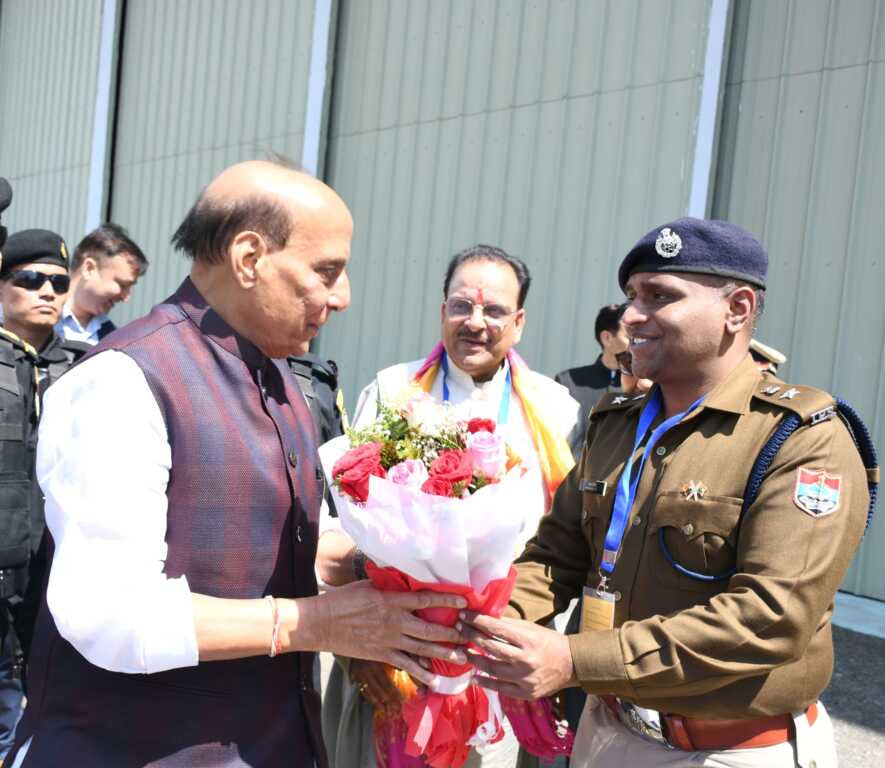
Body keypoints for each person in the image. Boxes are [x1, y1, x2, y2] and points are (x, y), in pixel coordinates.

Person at [8, 161, 469, 768]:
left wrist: (376, 564)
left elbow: (267, 539)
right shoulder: (123, 380)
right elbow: (108, 616)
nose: (342, 297)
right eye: (326, 271)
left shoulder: (282, 376)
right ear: (249, 258)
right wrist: (314, 623)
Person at [459, 218, 872, 768]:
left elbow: (771, 617)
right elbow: (555, 557)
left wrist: (575, 659)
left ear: (738, 309)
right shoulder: (616, 423)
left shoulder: (799, 437)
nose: (631, 316)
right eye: (632, 296)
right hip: (607, 729)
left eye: (659, 297)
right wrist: (482, 625)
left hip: (729, 749)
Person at [322, 244, 580, 768]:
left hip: (501, 649)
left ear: (519, 322)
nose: (475, 322)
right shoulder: (393, 390)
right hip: (393, 643)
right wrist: (357, 648)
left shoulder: (557, 410)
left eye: (494, 310)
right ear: (443, 311)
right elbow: (346, 512)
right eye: (462, 306)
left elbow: (566, 543)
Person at [0, 230, 87, 761]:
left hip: (61, 570)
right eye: (30, 279)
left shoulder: (90, 367)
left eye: (58, 282)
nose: (47, 291)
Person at [55, 223, 148, 344]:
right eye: (122, 284)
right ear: (89, 268)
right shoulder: (38, 320)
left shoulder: (113, 341)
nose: (126, 297)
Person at [554, 303, 627, 455]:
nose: (636, 341)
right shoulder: (568, 382)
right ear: (607, 338)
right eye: (629, 335)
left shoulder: (645, 385)